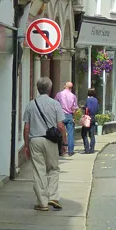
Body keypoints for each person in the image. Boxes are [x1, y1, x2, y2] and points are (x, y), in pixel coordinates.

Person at [21, 77, 67, 211]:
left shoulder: (30, 105)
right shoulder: (55, 104)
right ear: (49, 89)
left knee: (39, 170)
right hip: (51, 140)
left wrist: (26, 145)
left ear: (37, 88)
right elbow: (60, 126)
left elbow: (27, 128)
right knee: (53, 168)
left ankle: (43, 203)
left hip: (35, 140)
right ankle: (53, 196)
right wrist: (63, 143)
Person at [54, 81, 78, 156]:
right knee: (70, 133)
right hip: (69, 115)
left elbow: (55, 105)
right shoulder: (73, 96)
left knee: (59, 133)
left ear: (65, 86)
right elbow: (75, 108)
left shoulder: (59, 94)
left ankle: (60, 150)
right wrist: (73, 115)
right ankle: (70, 151)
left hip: (61, 115)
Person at [81, 88, 99, 154]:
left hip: (88, 117)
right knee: (92, 135)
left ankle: (87, 149)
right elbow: (97, 109)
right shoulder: (96, 100)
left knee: (84, 134)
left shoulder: (89, 100)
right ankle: (92, 149)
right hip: (93, 117)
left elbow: (88, 108)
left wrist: (84, 108)